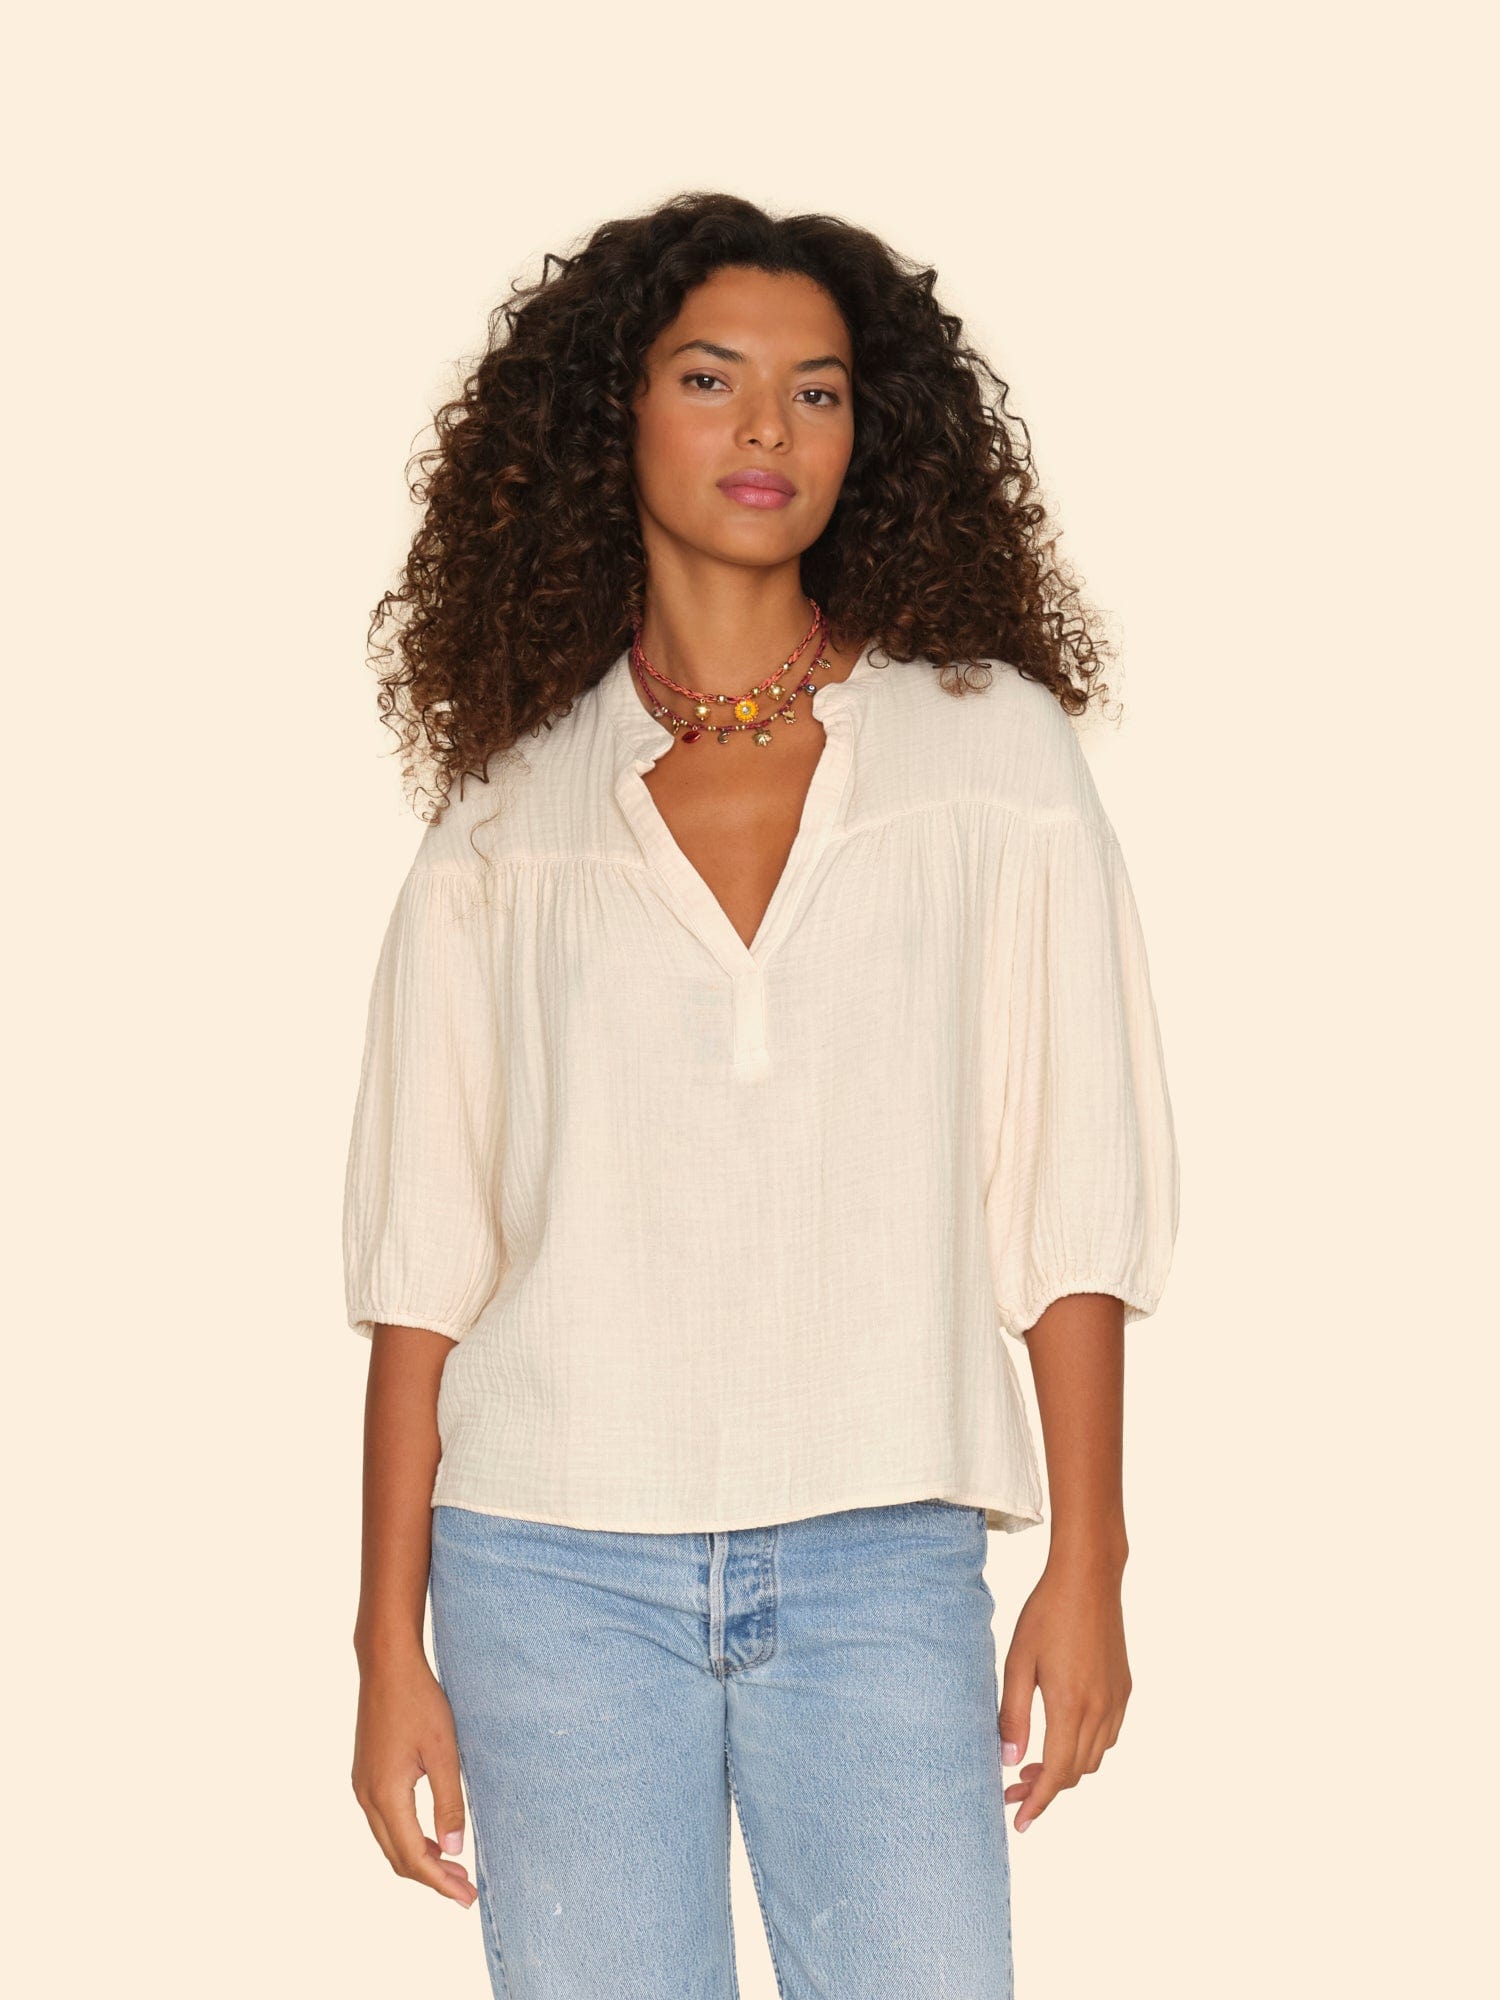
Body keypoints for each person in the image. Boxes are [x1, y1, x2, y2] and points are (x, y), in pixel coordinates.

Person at [343, 191, 1180, 1999]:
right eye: (711, 378)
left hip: (882, 1549)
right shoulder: (509, 814)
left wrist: (1092, 1559)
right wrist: (383, 1647)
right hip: (549, 1568)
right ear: (616, 412)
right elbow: (424, 1265)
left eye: (817, 391)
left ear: (870, 434)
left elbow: (1075, 1189)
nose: (767, 430)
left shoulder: (988, 753)